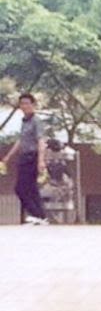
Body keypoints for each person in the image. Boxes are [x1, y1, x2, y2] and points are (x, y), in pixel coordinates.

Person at [0, 93, 48, 225]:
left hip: (32, 157)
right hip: (23, 156)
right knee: (32, 188)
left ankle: (36, 214)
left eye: (27, 103)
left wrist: (41, 160)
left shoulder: (36, 121)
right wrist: (8, 156)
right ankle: (41, 217)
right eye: (22, 103)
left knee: (20, 188)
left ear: (33, 105)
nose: (24, 106)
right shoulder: (24, 121)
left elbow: (41, 140)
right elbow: (21, 140)